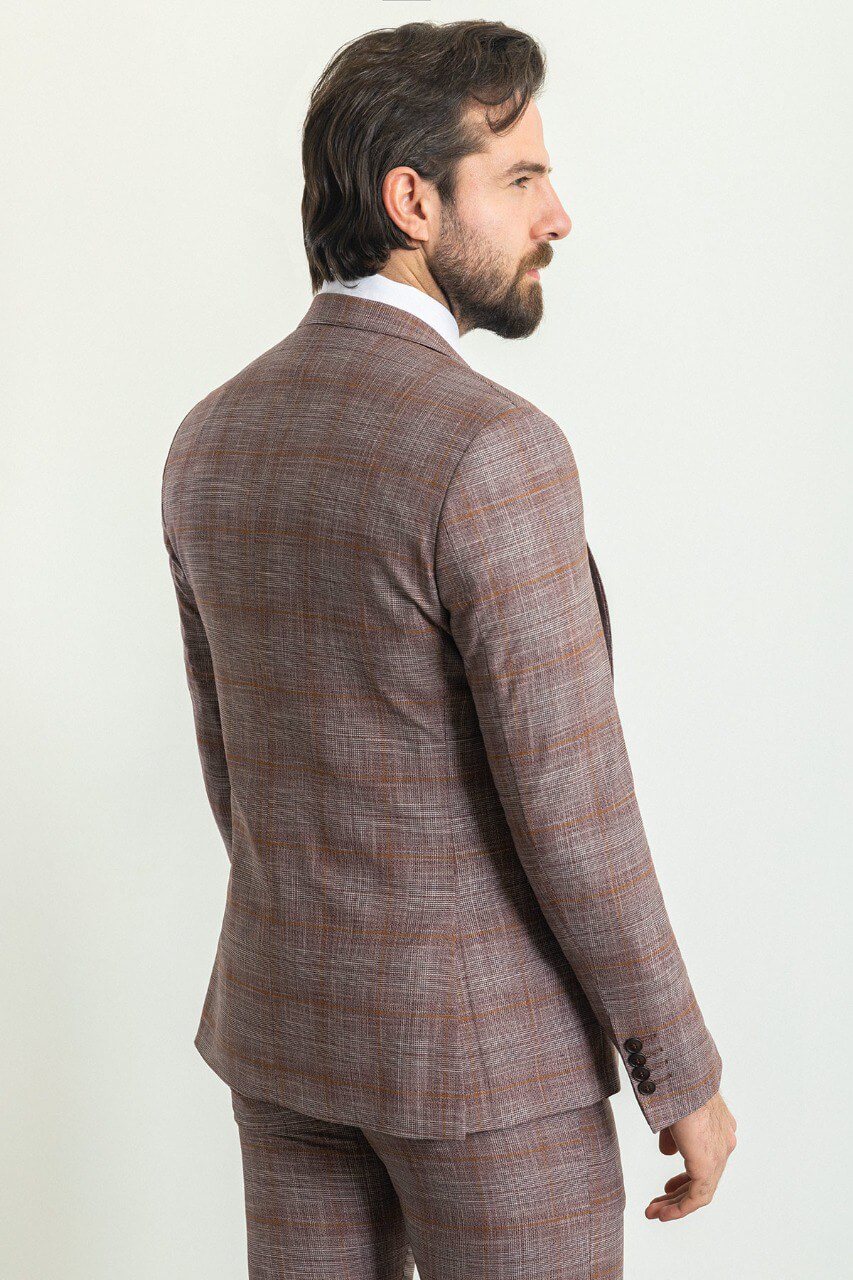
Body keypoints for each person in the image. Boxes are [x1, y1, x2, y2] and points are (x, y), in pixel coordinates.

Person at [161, 19, 736, 1278]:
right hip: (489, 1069)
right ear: (412, 200)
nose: (558, 215)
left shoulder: (212, 439)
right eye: (522, 178)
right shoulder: (493, 450)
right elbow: (572, 808)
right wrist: (677, 1069)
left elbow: (233, 771)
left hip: (287, 1035)